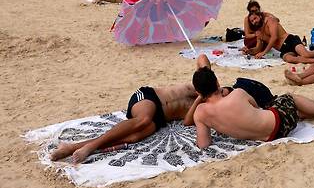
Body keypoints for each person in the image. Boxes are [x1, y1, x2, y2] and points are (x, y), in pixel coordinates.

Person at [49, 54, 211, 163]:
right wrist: (207, 74)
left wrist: (199, 97)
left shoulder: (204, 103)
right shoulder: (204, 79)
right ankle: (91, 147)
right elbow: (202, 57)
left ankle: (71, 147)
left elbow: (187, 122)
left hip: (160, 118)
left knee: (133, 137)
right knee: (143, 120)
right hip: (149, 97)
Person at [190, 66, 314, 146]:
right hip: (280, 124)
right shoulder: (237, 94)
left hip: (268, 137)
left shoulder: (200, 114)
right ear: (217, 82)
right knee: (289, 98)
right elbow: (258, 109)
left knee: (287, 109)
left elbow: (204, 144)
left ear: (198, 92)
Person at [244, 11, 314, 63]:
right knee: (290, 59)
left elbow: (274, 37)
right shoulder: (258, 32)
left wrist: (264, 52)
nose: (254, 21)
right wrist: (250, 51)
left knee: (305, 54)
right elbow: (258, 48)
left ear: (260, 16)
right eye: (252, 21)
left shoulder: (270, 21)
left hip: (290, 40)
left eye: (255, 18)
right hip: (283, 49)